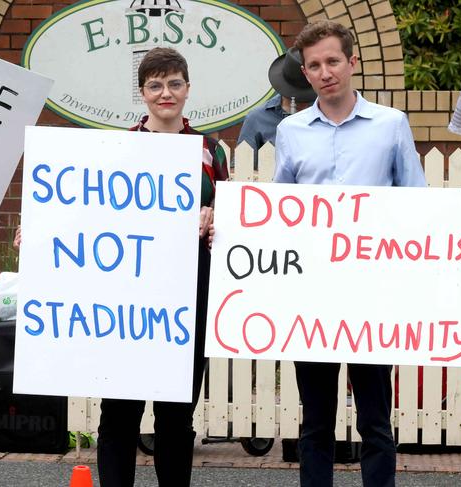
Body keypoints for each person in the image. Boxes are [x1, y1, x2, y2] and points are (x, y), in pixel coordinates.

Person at [273, 21, 427, 487]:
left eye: (333, 61)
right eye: (315, 65)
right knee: (315, 423)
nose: (325, 72)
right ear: (306, 71)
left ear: (352, 63)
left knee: (376, 422)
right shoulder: (291, 131)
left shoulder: (390, 124)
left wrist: (450, 229)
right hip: (312, 295)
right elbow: (280, 211)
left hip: (372, 294)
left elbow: (416, 201)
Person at [96, 47, 228, 487]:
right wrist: (39, 237)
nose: (165, 93)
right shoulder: (121, 147)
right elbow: (89, 216)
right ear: (142, 93)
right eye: (155, 85)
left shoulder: (211, 150)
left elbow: (229, 219)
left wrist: (216, 219)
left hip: (188, 292)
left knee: (175, 415)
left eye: (174, 84)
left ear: (188, 90)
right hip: (128, 296)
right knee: (119, 412)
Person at [237, 47, 316, 167]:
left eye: (306, 98)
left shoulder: (327, 114)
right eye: (296, 97)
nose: (302, 103)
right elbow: (242, 168)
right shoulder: (257, 118)